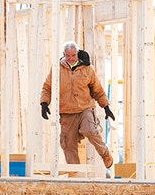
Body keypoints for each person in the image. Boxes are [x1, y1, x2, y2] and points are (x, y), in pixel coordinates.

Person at [40, 41, 115, 176]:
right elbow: (47, 87)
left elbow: (97, 89)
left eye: (73, 55)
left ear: (77, 54)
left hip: (84, 108)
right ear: (63, 55)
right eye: (68, 56)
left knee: (90, 130)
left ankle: (105, 154)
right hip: (66, 112)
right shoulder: (57, 69)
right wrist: (44, 103)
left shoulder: (87, 68)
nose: (71, 58)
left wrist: (106, 106)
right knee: (68, 145)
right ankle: (75, 176)